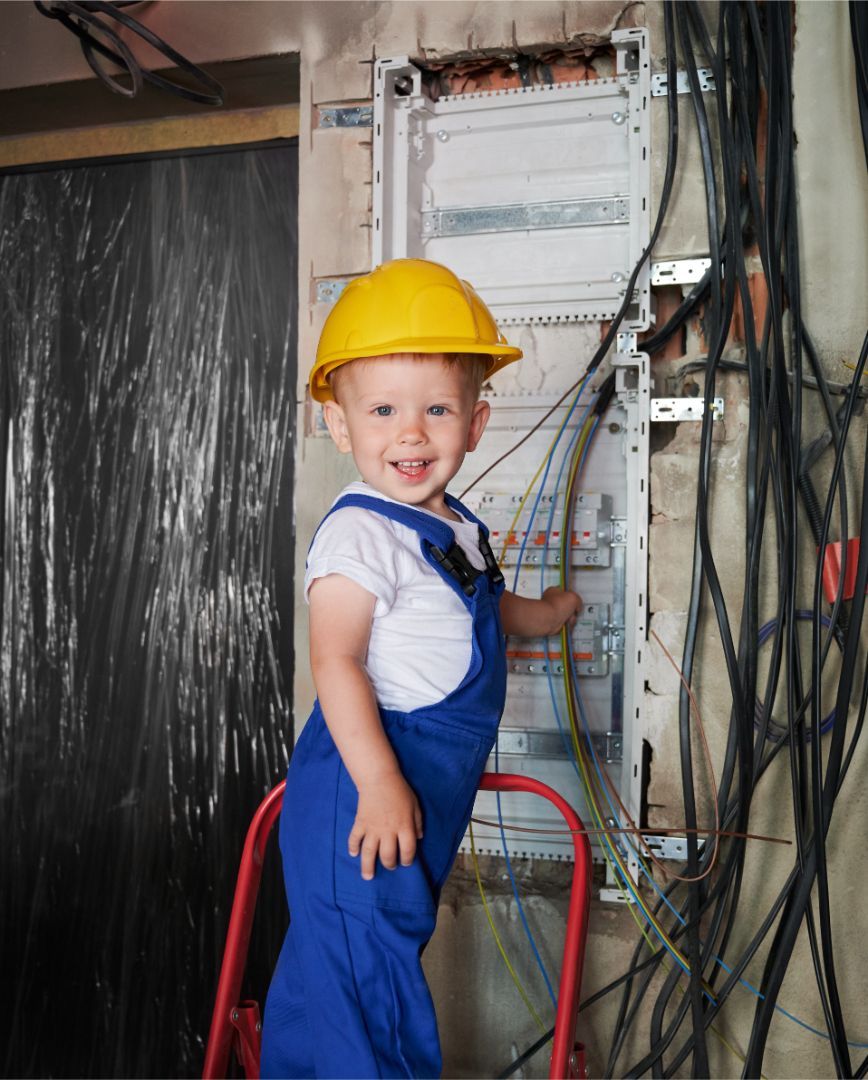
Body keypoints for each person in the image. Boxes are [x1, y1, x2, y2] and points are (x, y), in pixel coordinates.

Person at [260, 259, 581, 1079]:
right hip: (365, 784)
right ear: (340, 427)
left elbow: (474, 607)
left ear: (475, 424)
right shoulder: (358, 536)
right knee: (368, 988)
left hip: (421, 787)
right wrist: (376, 780)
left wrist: (544, 615)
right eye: (383, 411)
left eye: (436, 409)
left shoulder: (454, 527)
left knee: (335, 980)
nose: (411, 433)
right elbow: (335, 662)